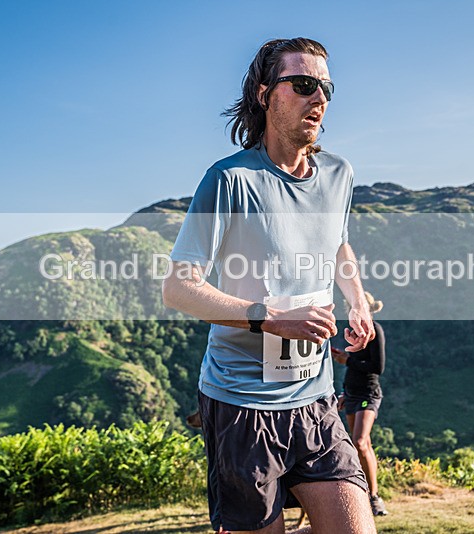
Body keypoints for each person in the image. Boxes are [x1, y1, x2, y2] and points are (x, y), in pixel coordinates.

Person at [162, 37, 378, 534]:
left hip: (315, 397)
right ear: (265, 94)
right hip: (240, 405)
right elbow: (178, 288)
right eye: (302, 85)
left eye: (325, 87)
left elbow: (338, 245)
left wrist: (358, 302)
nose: (318, 98)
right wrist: (271, 317)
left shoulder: (339, 174)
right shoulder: (229, 180)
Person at [331, 292, 388, 516]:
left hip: (368, 393)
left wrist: (348, 360)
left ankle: (373, 497)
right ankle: (365, 495)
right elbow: (354, 366)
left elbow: (378, 367)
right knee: (361, 446)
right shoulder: (355, 332)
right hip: (352, 393)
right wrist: (344, 391)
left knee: (360, 442)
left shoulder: (375, 331)